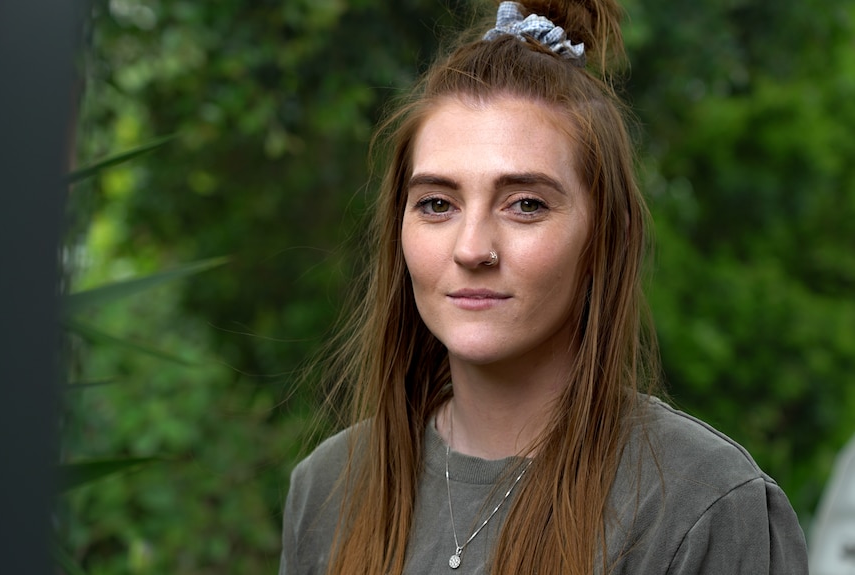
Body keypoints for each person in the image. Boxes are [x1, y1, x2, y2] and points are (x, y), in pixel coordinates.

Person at [280, 1, 809, 573]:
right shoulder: (330, 488)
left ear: (605, 234)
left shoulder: (702, 507)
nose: (472, 248)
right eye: (437, 204)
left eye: (526, 205)